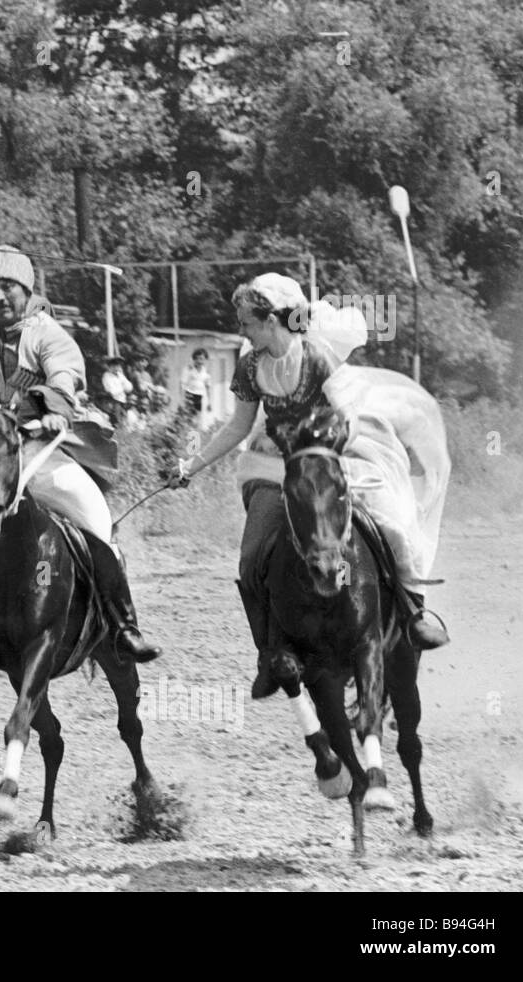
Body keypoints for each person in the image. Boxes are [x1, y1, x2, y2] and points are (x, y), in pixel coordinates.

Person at [168, 272, 450, 699]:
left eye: (246, 321)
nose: (240, 329)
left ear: (270, 320)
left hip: (331, 457)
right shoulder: (249, 367)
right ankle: (267, 654)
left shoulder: (316, 357)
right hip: (275, 462)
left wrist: (323, 446)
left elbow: (348, 412)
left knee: (392, 526)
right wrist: (192, 465)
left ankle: (414, 614)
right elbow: (238, 426)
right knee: (250, 558)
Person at [0, 224, 161, 662]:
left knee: (99, 527)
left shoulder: (48, 333)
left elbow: (66, 374)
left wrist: (50, 409)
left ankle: (123, 626)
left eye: (9, 288)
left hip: (43, 446)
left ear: (26, 289)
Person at [182, 347, 211, 417]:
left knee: (198, 417)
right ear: (194, 359)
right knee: (188, 416)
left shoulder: (206, 372)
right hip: (189, 395)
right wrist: (182, 398)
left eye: (201, 359)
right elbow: (183, 383)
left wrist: (209, 402)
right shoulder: (189, 369)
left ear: (205, 360)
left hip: (200, 397)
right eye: (197, 358)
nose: (199, 361)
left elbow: (208, 388)